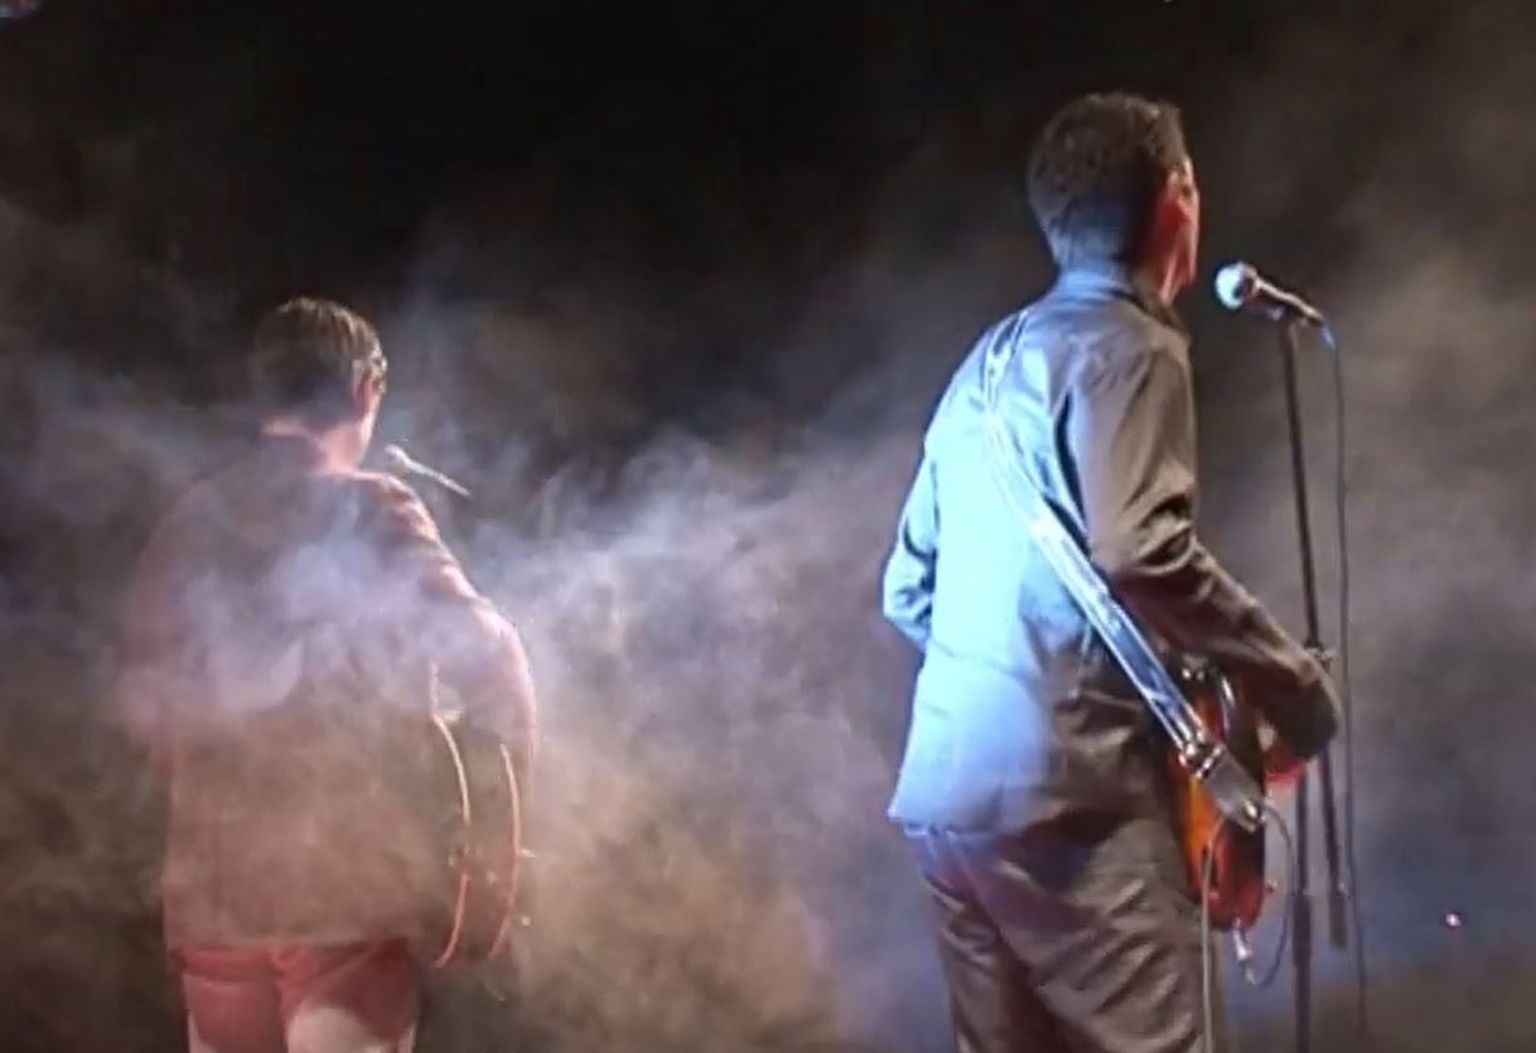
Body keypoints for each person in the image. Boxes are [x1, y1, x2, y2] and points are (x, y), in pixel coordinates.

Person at [880, 92, 1341, 1053]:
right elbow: (1141, 551)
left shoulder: (986, 364)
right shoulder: (1134, 347)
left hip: (948, 803)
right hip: (1073, 814)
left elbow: (907, 590)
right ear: (1177, 197)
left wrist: (1016, 681)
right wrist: (1293, 688)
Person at [115, 297, 538, 1053]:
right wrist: (503, 842)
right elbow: (491, 657)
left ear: (265, 397)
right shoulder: (371, 507)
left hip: (215, 901)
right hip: (345, 893)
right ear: (366, 391)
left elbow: (145, 703)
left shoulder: (190, 521)